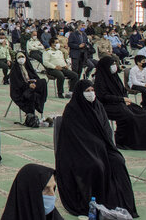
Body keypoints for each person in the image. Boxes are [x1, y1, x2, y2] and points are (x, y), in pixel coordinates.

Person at [55, 80, 138, 218]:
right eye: (87, 91)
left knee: (118, 161)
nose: (91, 94)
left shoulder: (98, 106)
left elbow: (106, 129)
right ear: (80, 93)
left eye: (92, 90)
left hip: (101, 147)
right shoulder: (72, 109)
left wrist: (103, 145)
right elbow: (75, 136)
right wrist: (95, 145)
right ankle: (95, 203)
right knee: (96, 165)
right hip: (80, 150)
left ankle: (121, 203)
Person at [94, 56, 146, 150]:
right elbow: (103, 96)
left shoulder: (115, 76)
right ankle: (124, 142)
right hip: (108, 105)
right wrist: (122, 100)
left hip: (121, 102)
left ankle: (141, 144)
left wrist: (125, 100)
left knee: (144, 115)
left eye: (114, 64)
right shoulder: (100, 79)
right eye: (112, 64)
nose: (114, 66)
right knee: (129, 116)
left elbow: (123, 90)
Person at [9, 52, 48, 121]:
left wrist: (34, 82)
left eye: (22, 57)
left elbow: (35, 77)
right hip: (20, 90)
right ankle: (31, 113)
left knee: (43, 81)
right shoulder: (14, 70)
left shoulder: (28, 67)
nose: (21, 59)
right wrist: (28, 85)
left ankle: (39, 106)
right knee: (31, 95)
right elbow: (17, 84)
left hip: (31, 86)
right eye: (19, 57)